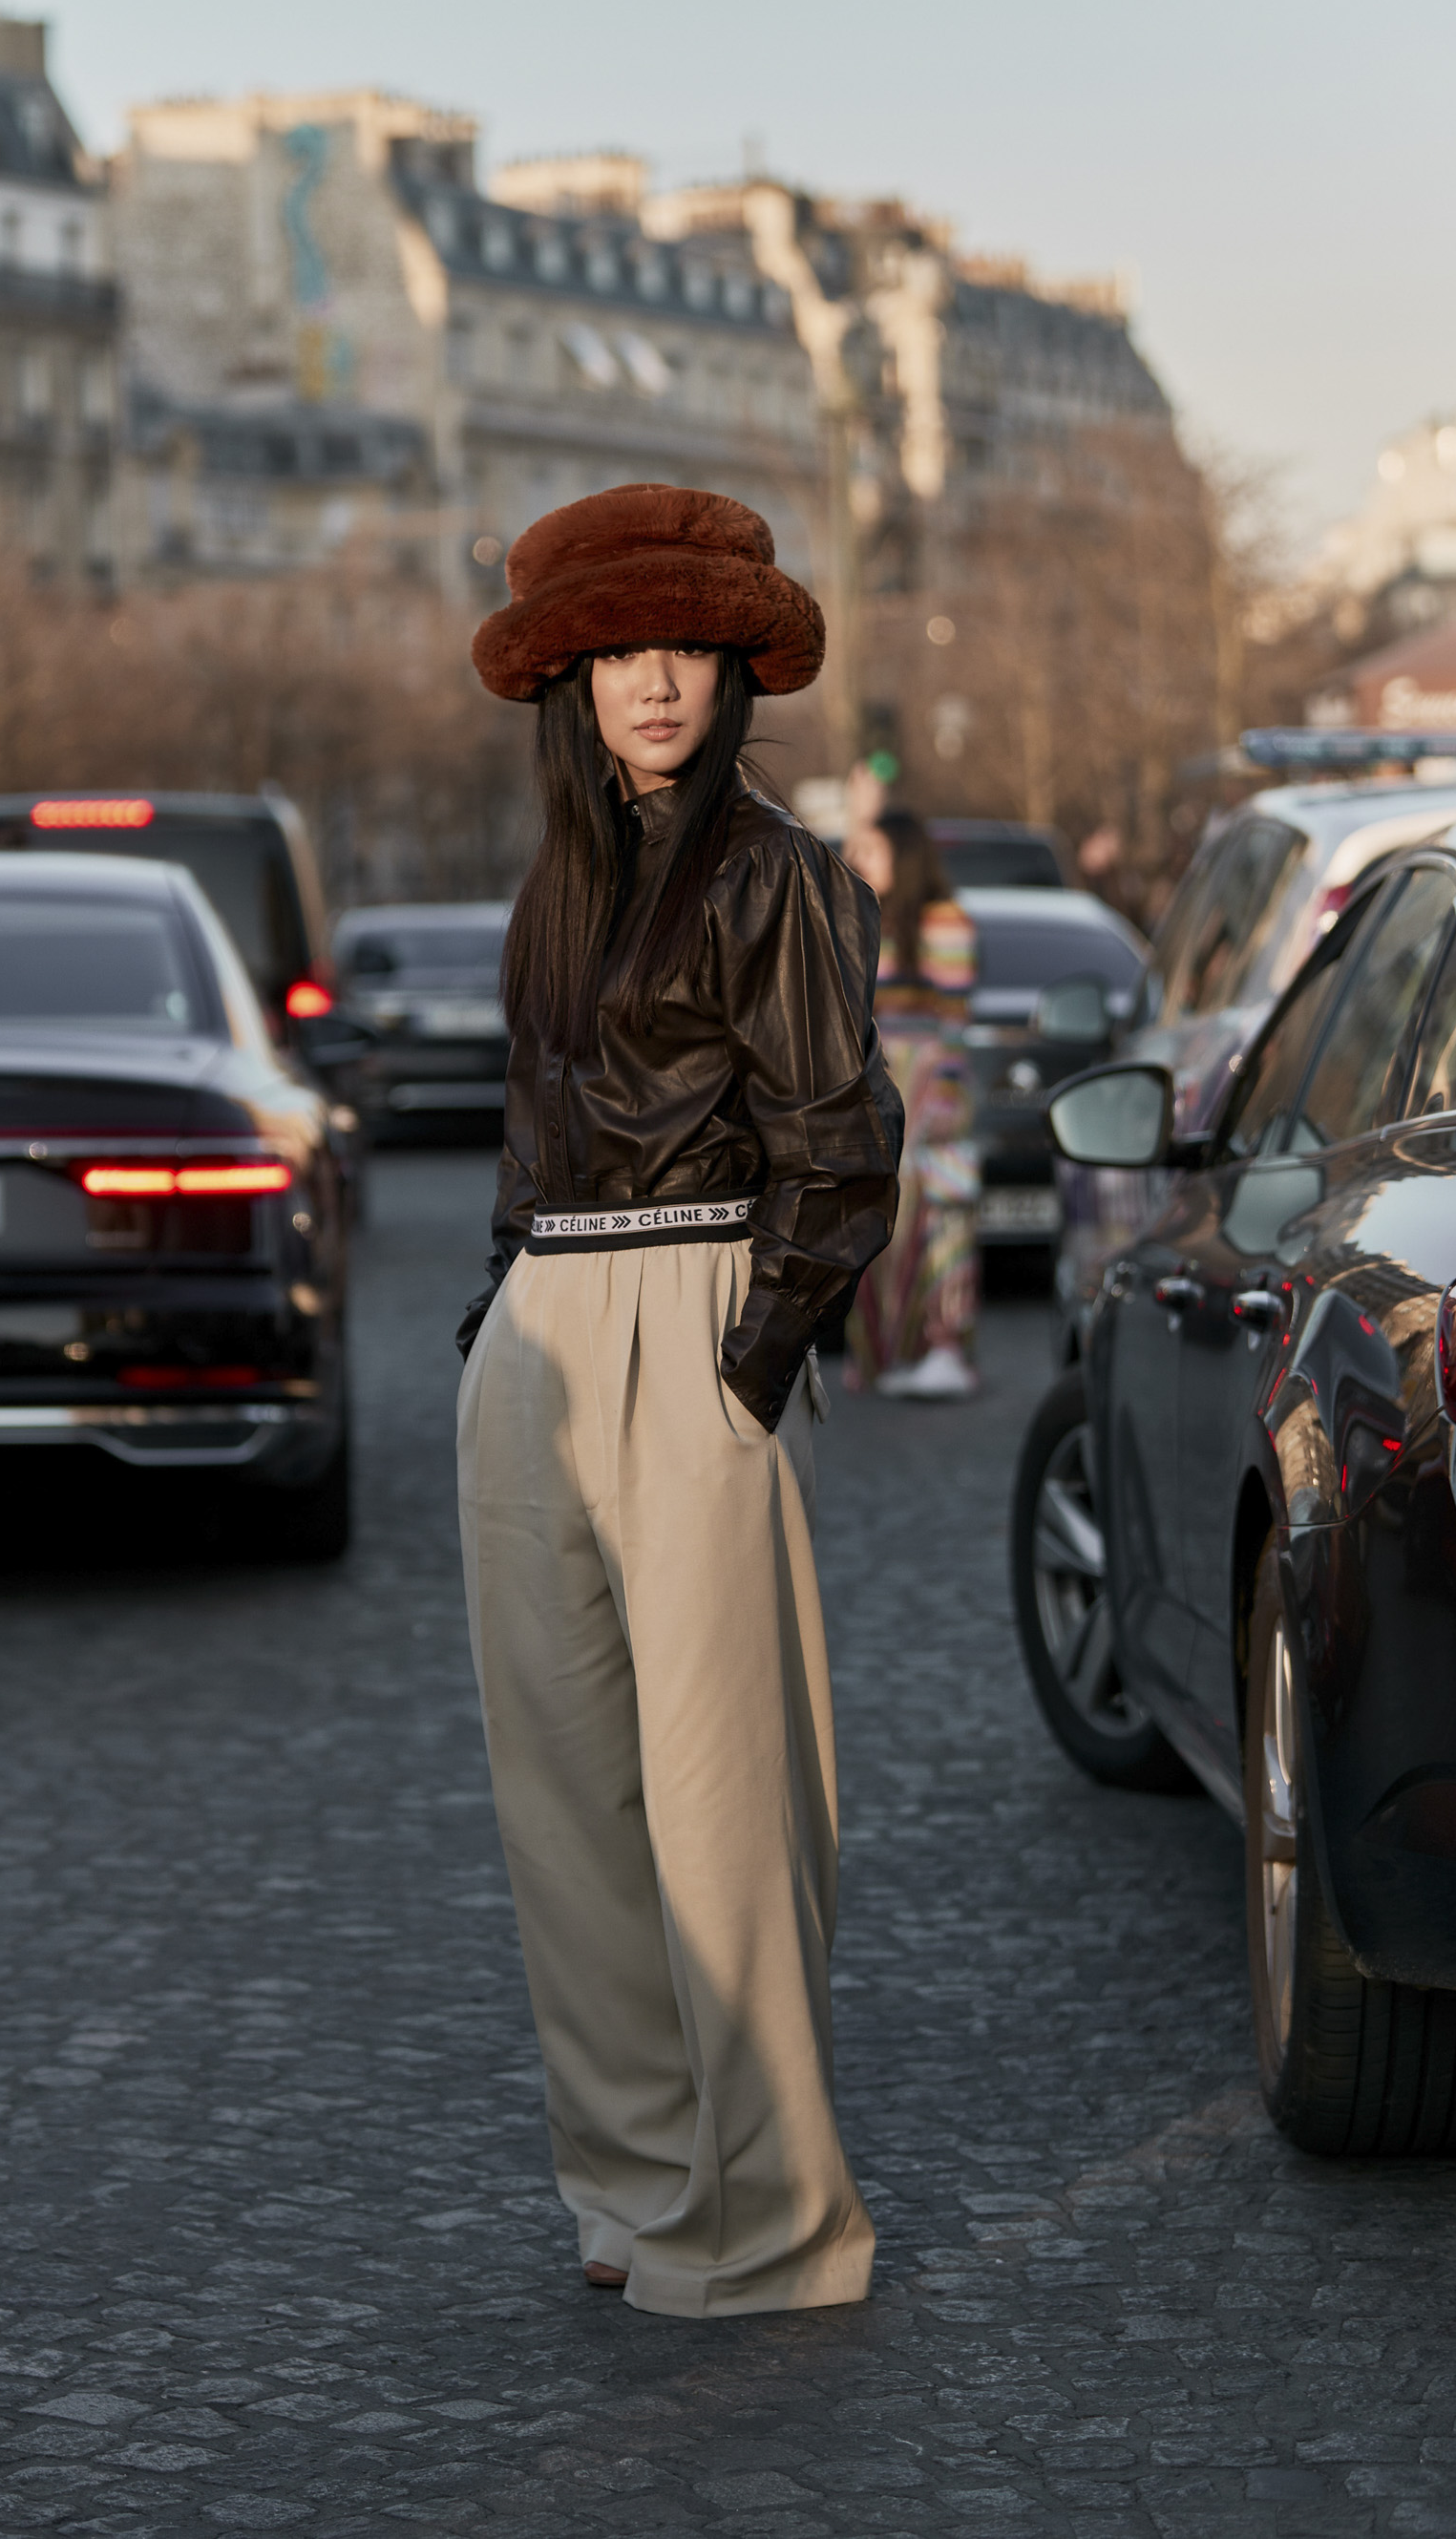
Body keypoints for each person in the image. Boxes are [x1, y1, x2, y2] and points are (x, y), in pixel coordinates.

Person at [455, 484, 901, 2317]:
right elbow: (523, 1128)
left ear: (736, 667)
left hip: (699, 1314)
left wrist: (751, 1364)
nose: (656, 682)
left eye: (688, 649)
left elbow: (841, 1148)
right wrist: (498, 1313)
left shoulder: (778, 874)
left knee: (728, 1808)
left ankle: (774, 2221)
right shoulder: (559, 882)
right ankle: (636, 2193)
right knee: (563, 1802)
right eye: (623, 649)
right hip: (541, 1335)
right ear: (573, 673)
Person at [841, 758, 981, 1400]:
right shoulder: (871, 924)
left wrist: (943, 1099)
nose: (862, 860)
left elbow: (953, 1027)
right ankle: (887, 1353)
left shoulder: (943, 923)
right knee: (880, 1218)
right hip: (883, 1088)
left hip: (931, 1092)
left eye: (874, 849)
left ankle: (944, 1344)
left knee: (940, 1216)